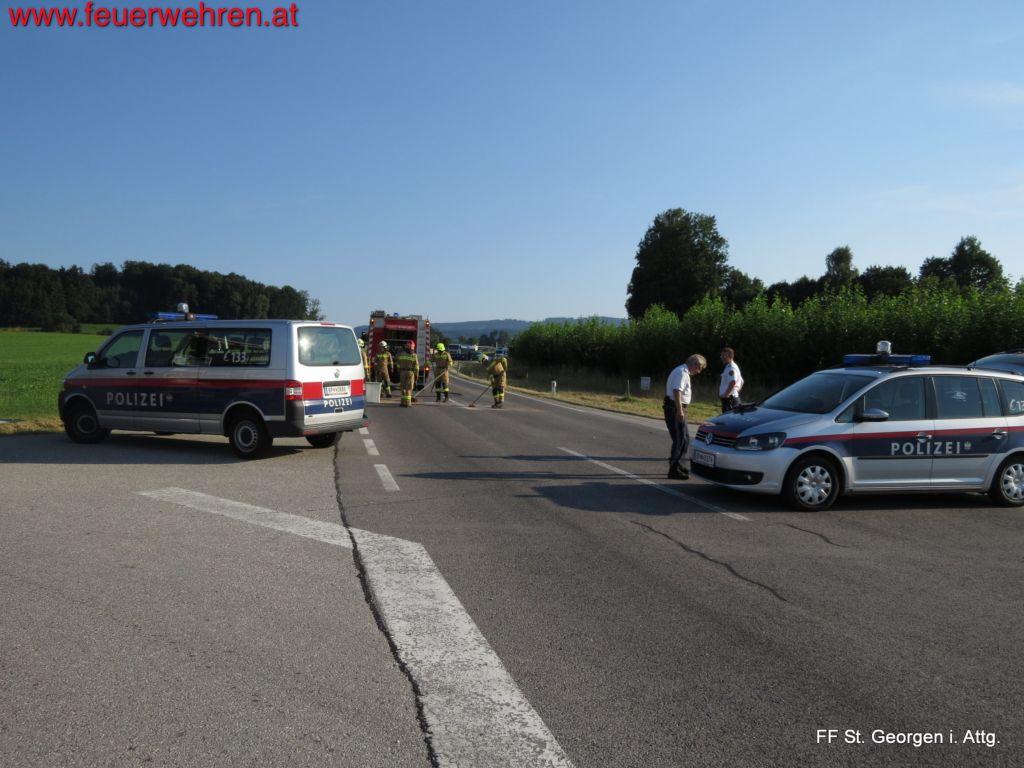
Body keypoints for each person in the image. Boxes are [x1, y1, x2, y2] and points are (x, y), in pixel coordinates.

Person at [664, 354, 706, 480]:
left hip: (674, 407)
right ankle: (674, 469)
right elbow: (677, 391)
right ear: (695, 364)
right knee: (681, 439)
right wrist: (680, 410)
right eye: (699, 368)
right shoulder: (683, 372)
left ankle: (679, 465)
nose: (698, 372)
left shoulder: (681, 370)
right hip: (675, 407)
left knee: (684, 438)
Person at [719, 347, 744, 413]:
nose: (721, 357)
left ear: (729, 356)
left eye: (723, 356)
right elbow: (742, 381)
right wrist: (735, 391)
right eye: (721, 355)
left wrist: (726, 395)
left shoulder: (731, 367)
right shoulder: (730, 366)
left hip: (730, 400)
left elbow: (733, 382)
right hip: (732, 398)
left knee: (728, 418)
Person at [396, 340, 419, 408]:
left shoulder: (401, 354)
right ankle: (408, 403)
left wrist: (399, 371)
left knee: (402, 388)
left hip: (402, 372)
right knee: (408, 388)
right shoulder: (414, 355)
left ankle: (402, 402)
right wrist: (416, 374)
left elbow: (398, 364)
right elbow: (416, 366)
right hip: (410, 373)